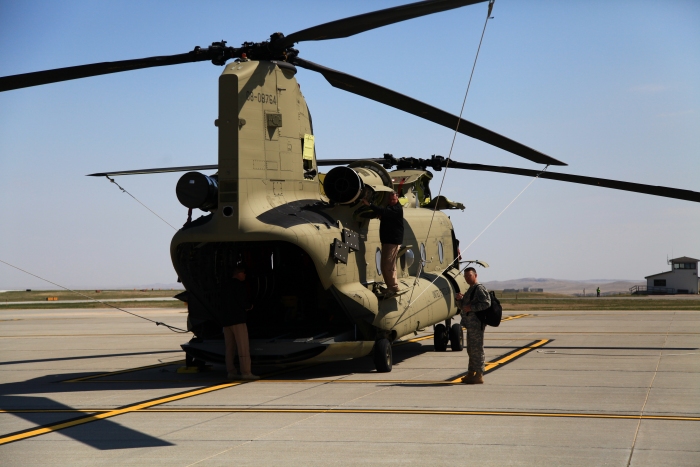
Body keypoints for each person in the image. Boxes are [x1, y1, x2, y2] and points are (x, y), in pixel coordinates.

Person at [362, 191, 404, 297]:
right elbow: (385, 214)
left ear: (397, 199)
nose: (391, 201)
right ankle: (392, 286)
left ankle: (393, 287)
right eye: (390, 200)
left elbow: (384, 211)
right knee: (389, 264)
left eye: (393, 200)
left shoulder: (397, 209)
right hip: (388, 240)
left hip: (392, 240)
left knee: (387, 265)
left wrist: (369, 204)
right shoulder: (391, 209)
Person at [455, 267, 491, 384]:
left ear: (475, 275)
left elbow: (487, 303)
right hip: (470, 324)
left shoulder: (479, 288)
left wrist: (472, 308)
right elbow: (463, 307)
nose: (467, 278)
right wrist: (459, 300)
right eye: (465, 276)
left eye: (469, 275)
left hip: (476, 324)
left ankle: (479, 375)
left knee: (477, 349)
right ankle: (471, 373)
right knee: (471, 350)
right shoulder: (471, 289)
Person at [223, 266, 258, 381]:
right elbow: (243, 302)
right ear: (238, 273)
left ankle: (231, 371)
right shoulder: (238, 285)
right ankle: (246, 372)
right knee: (243, 347)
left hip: (226, 321)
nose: (245, 275)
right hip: (238, 320)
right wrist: (250, 306)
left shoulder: (225, 285)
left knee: (229, 348)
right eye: (244, 273)